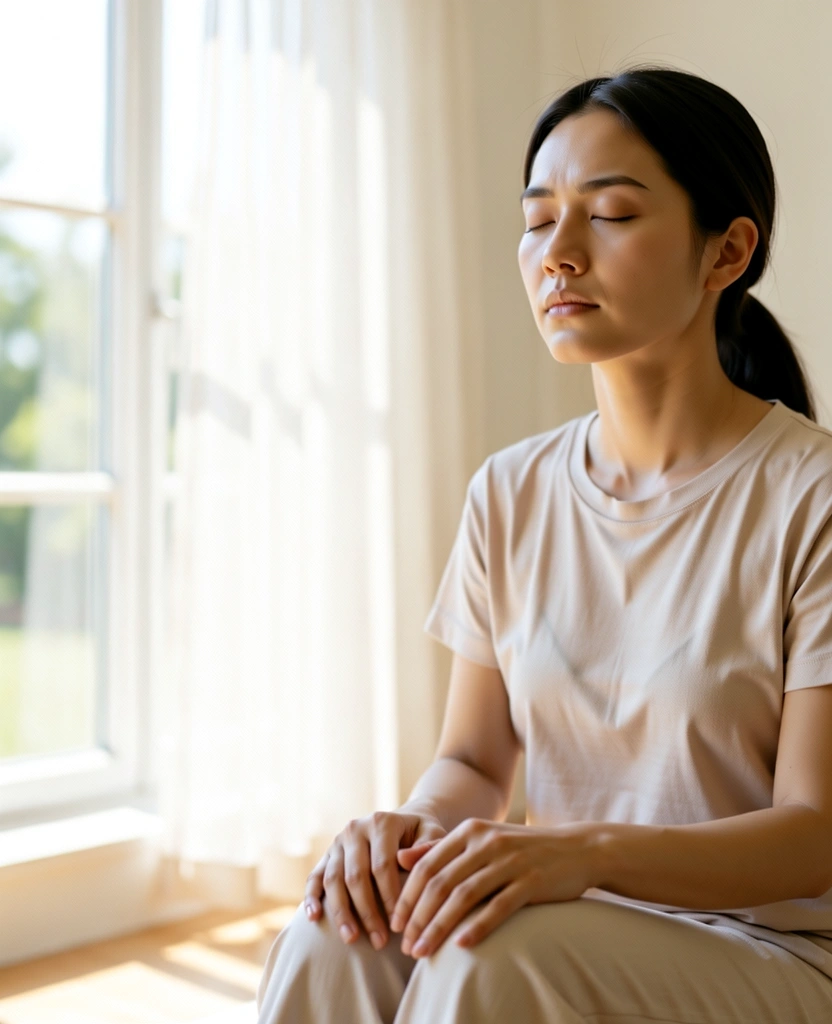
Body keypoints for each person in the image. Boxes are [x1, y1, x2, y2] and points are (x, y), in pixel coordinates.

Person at [255, 64, 832, 1023]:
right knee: (335, 933)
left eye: (608, 215)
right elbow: (476, 765)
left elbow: (815, 834)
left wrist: (583, 853)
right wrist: (408, 832)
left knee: (491, 956)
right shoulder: (510, 490)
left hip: (770, 946)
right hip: (565, 910)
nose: (558, 253)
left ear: (726, 252)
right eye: (536, 220)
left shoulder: (809, 496)